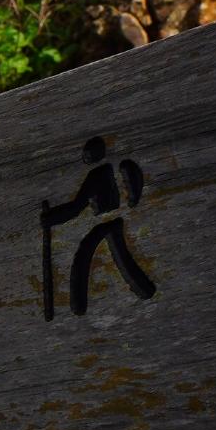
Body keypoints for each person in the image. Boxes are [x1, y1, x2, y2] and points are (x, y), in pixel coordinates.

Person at [40, 136, 157, 318]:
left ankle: (80, 305)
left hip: (104, 225)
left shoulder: (96, 176)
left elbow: (76, 207)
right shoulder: (106, 172)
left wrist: (51, 218)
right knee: (114, 256)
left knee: (89, 254)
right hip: (109, 223)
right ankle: (143, 289)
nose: (85, 158)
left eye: (87, 155)